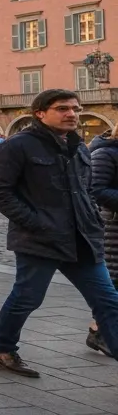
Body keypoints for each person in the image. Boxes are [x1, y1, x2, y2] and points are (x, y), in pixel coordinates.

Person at [0, 89, 118, 376]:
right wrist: (37, 223)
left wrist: (92, 220)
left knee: (108, 301)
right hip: (40, 239)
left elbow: (85, 190)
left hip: (82, 238)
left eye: (75, 108)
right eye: (62, 108)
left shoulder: (78, 146)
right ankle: (4, 347)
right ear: (40, 113)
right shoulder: (18, 146)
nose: (72, 113)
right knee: (28, 297)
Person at [88, 130, 118, 355]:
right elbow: (96, 189)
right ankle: (99, 332)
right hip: (113, 226)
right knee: (113, 281)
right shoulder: (106, 153)